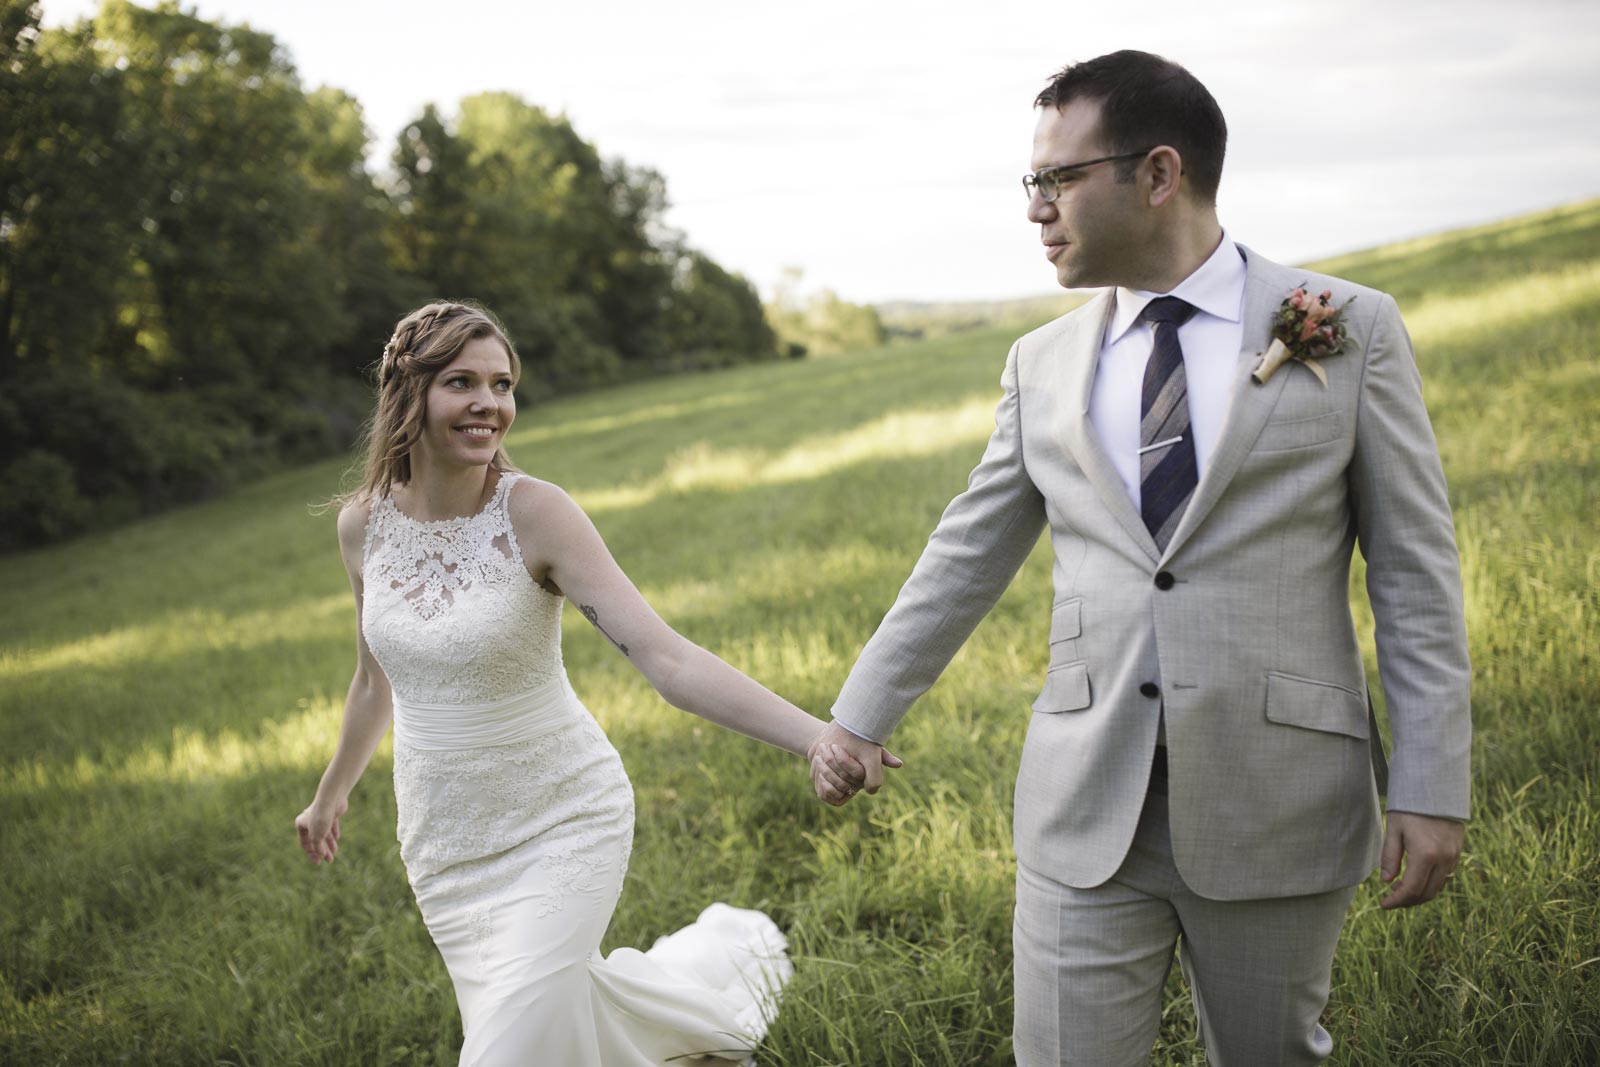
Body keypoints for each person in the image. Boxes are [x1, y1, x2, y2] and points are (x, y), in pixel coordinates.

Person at [809, 50, 1470, 1066]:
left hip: (1278, 790)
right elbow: (965, 553)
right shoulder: (1041, 363)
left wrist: (1429, 780)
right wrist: (859, 715)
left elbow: (1413, 573)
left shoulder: (1346, 329)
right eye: (1034, 182)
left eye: (1059, 179)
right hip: (1085, 796)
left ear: (1158, 174)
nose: (1036, 207)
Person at [293, 301, 882, 1066]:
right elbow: (375, 680)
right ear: (408, 392)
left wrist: (816, 736)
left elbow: (665, 658)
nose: (489, 403)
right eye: (461, 382)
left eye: (502, 384)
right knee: (550, 1029)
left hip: (562, 817)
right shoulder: (360, 526)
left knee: (504, 1052)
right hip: (444, 843)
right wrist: (332, 791)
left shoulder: (534, 513)